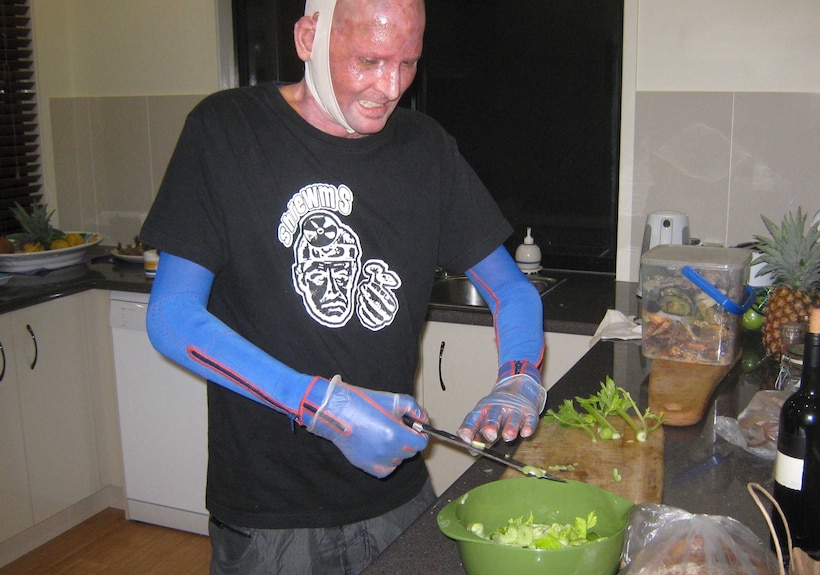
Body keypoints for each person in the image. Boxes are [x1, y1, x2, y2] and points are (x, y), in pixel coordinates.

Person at [140, 0, 545, 572]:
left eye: (408, 62)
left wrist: (520, 378)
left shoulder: (425, 149)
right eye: (370, 60)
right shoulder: (227, 130)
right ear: (309, 37)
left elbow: (511, 288)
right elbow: (172, 316)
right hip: (270, 514)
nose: (390, 85)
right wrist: (316, 404)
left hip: (396, 493)